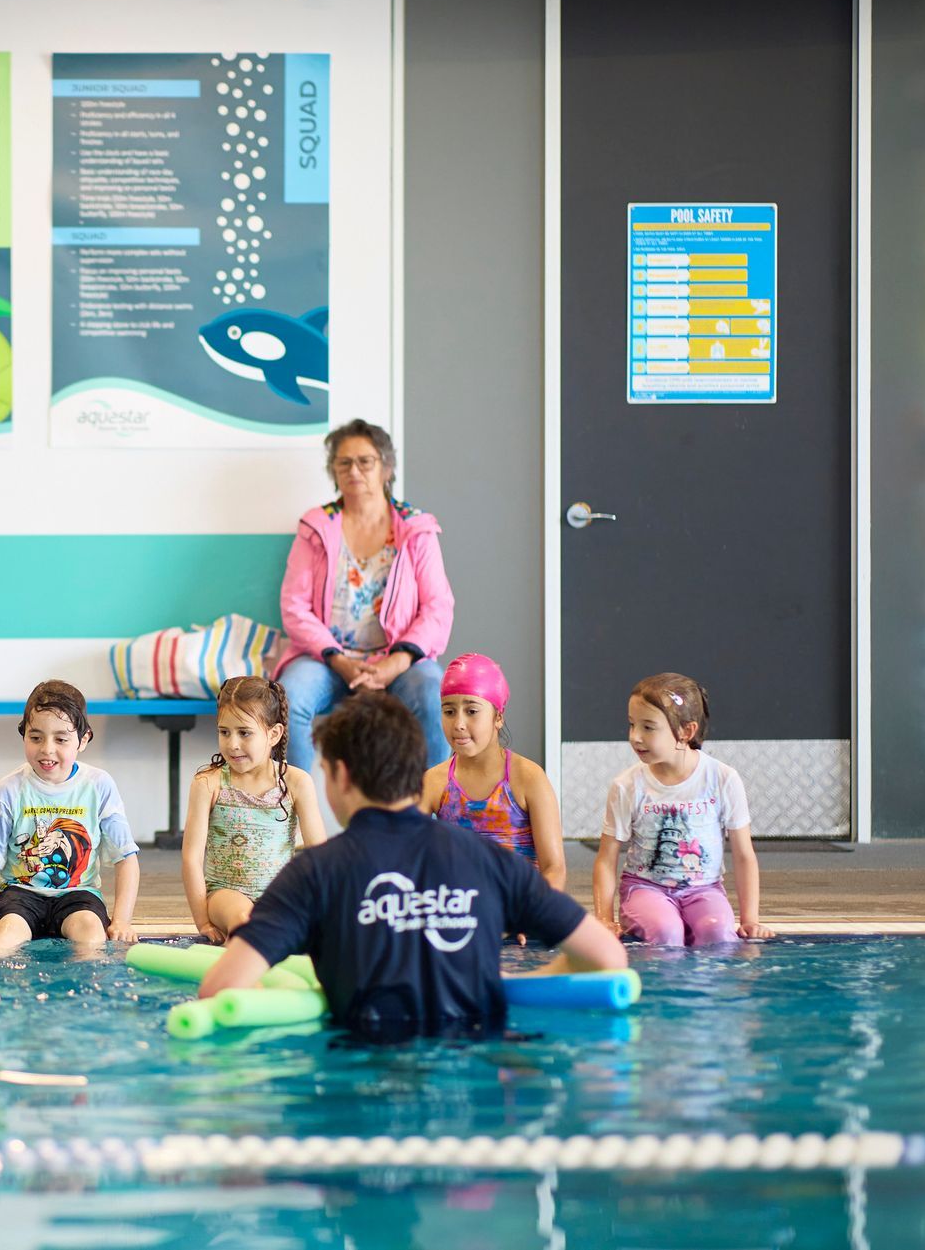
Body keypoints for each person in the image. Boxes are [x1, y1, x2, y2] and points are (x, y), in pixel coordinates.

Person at [198, 691, 625, 1041]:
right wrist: (507, 989)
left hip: (361, 1092)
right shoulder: (489, 860)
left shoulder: (313, 874)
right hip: (479, 1083)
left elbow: (218, 989)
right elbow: (607, 956)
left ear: (342, 776)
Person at [274, 418, 456, 780]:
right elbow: (295, 606)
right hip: (327, 661)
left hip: (399, 662)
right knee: (288, 697)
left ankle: (434, 816)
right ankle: (292, 818)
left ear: (386, 467)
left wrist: (398, 661)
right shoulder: (316, 526)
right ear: (334, 471)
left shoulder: (416, 529)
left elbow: (438, 607)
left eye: (365, 461)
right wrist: (338, 660)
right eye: (344, 463)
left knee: (434, 693)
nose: (354, 470)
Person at [593, 673, 772, 945]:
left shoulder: (722, 779)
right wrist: (604, 918)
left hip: (705, 890)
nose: (635, 737)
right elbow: (606, 859)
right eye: (632, 725)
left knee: (717, 935)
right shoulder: (627, 785)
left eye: (648, 727)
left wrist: (750, 920)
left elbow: (744, 854)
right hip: (645, 888)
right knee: (666, 932)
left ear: (686, 732)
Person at [0, 680, 141, 957]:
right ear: (23, 733)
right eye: (35, 737)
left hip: (79, 895)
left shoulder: (98, 785)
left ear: (83, 739)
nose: (47, 749)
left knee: (92, 937)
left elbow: (126, 859)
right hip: (19, 893)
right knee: (3, 940)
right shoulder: (9, 789)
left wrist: (121, 921)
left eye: (61, 739)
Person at [181, 676, 327, 942]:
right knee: (245, 921)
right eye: (224, 732)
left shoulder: (296, 782)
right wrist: (202, 921)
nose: (232, 743)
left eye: (244, 733)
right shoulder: (209, 783)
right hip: (226, 895)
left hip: (279, 893)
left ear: (274, 734)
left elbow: (320, 855)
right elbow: (191, 858)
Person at [418, 654, 566, 890]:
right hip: (460, 912)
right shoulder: (434, 782)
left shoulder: (528, 778)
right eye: (449, 712)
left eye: (472, 711)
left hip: (519, 909)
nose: (458, 723)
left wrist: (533, 922)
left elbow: (554, 869)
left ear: (498, 717)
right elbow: (412, 859)